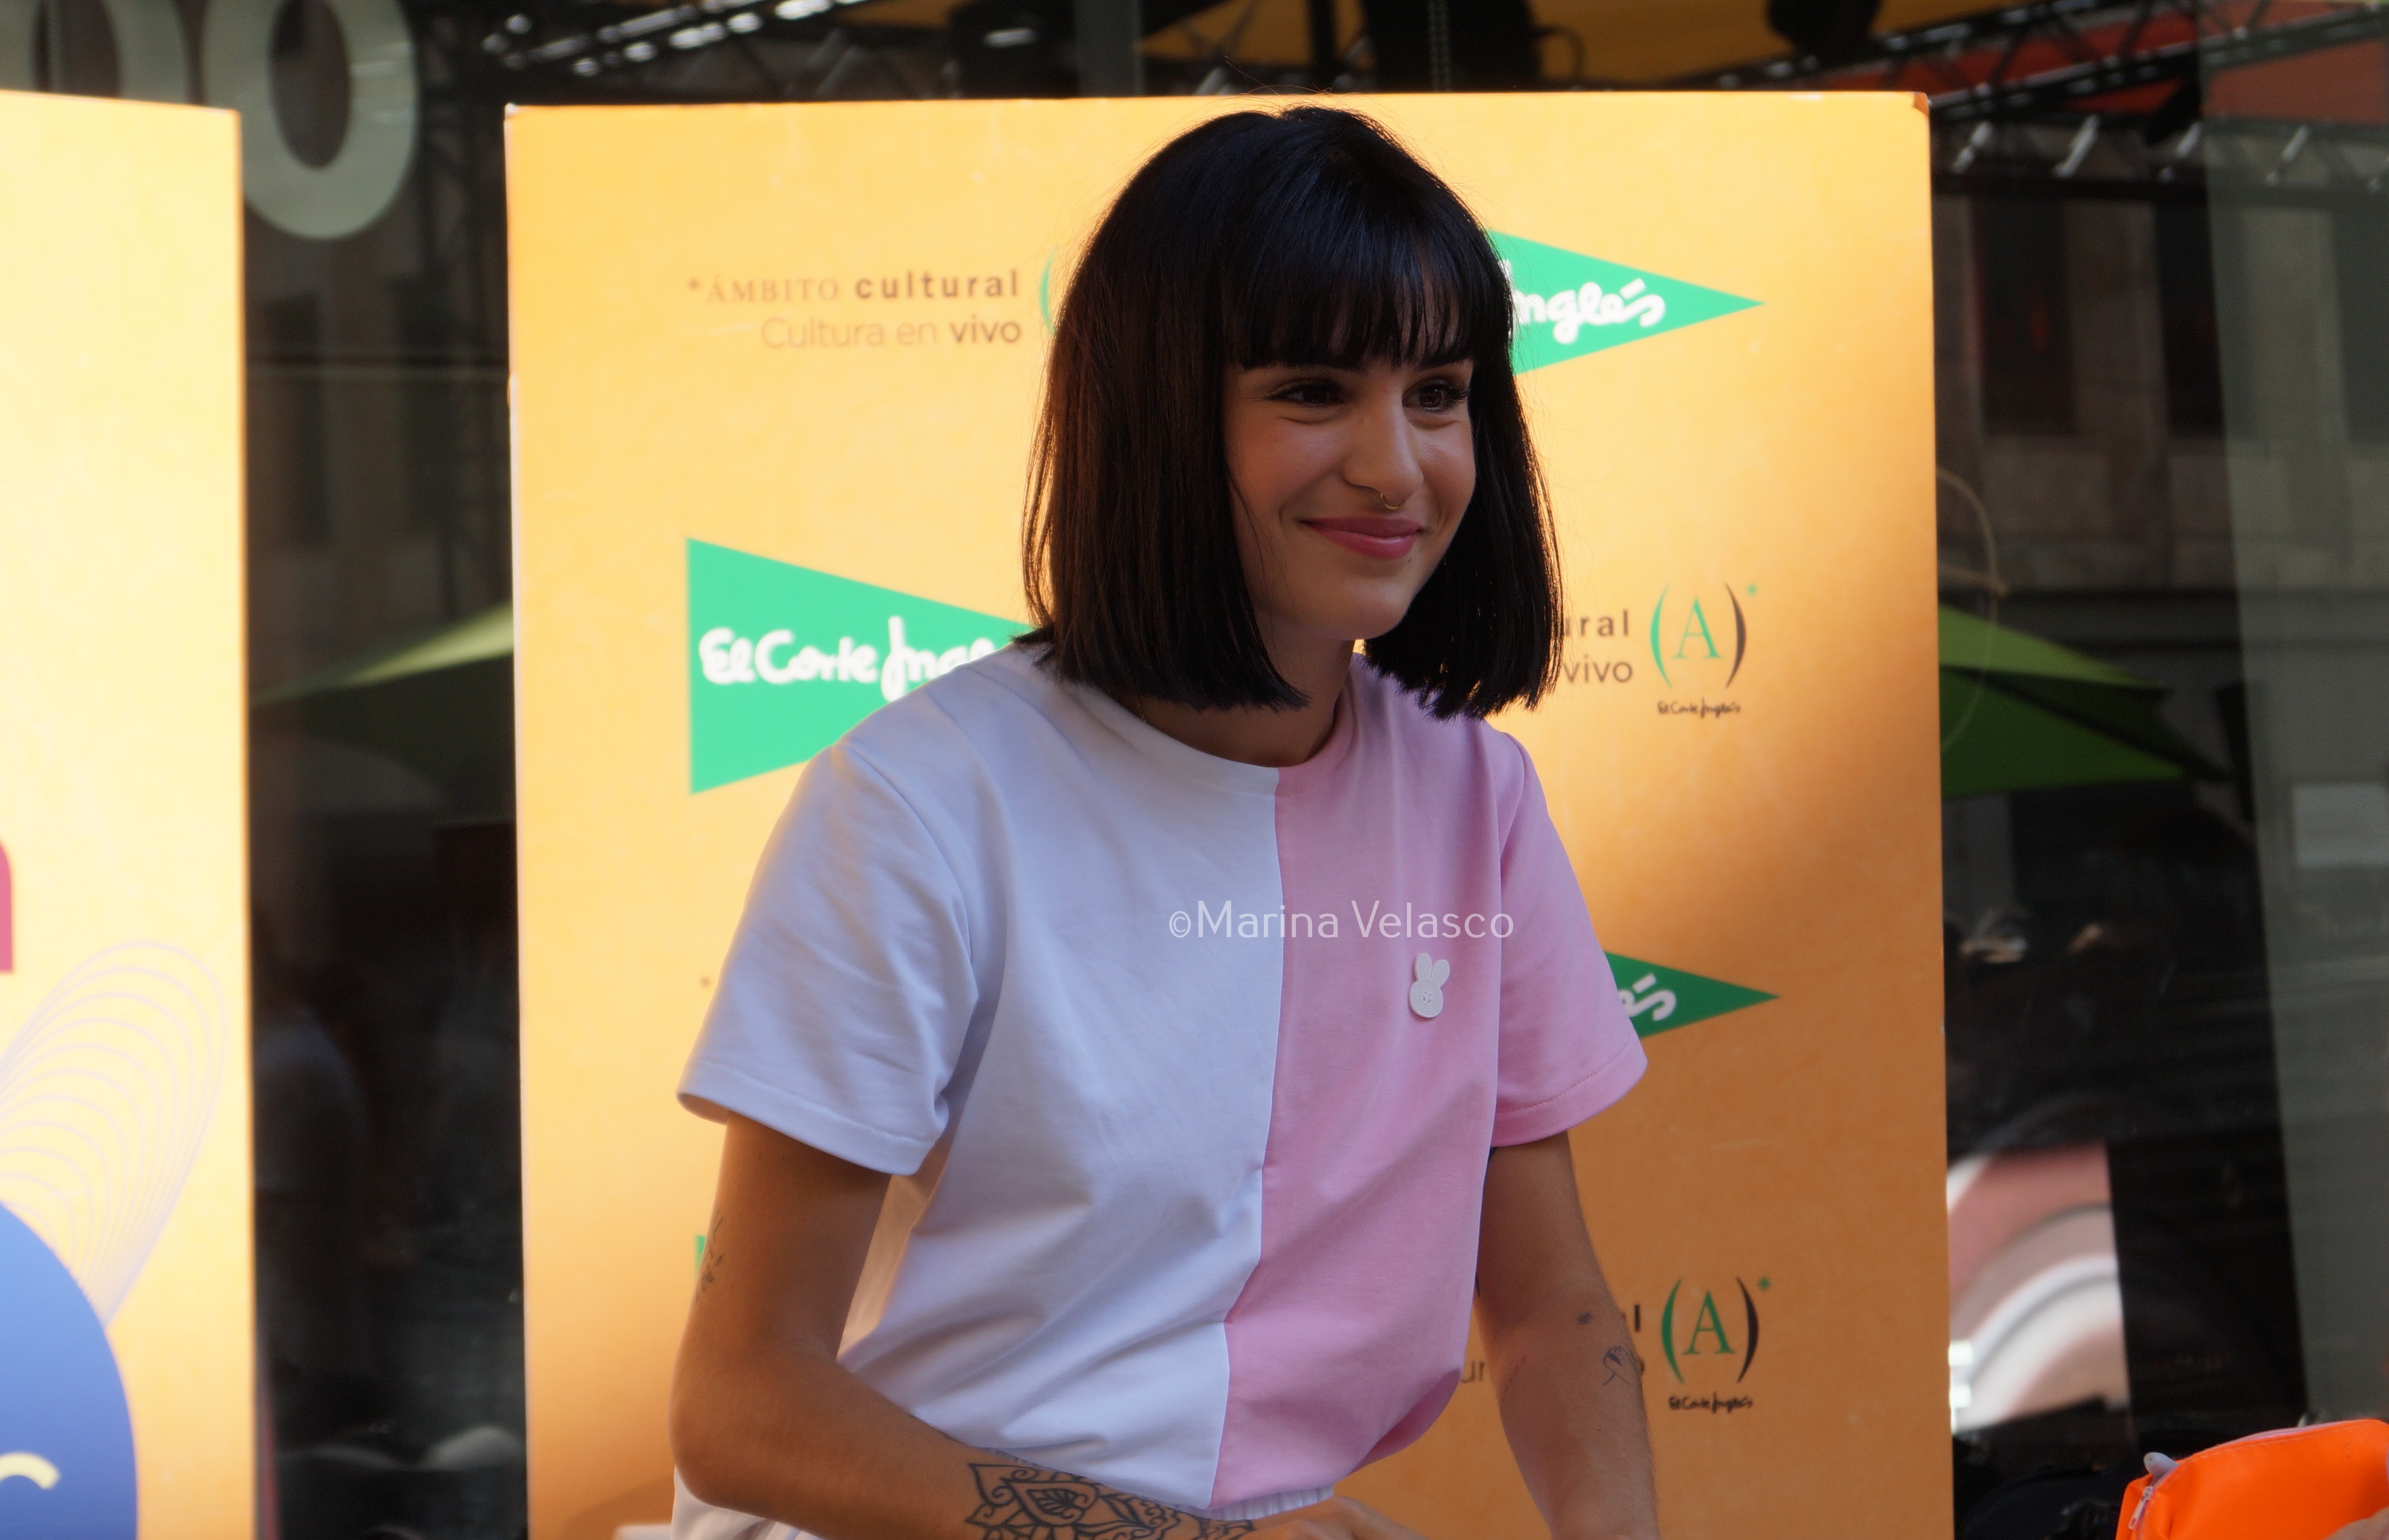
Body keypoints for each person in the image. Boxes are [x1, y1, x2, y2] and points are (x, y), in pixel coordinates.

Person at [669, 106, 1659, 1540]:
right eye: (1313, 390)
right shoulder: (920, 802)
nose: (1396, 465)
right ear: (1158, 415)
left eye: (1438, 392)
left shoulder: (1478, 797)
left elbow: (1554, 1301)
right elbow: (744, 1404)